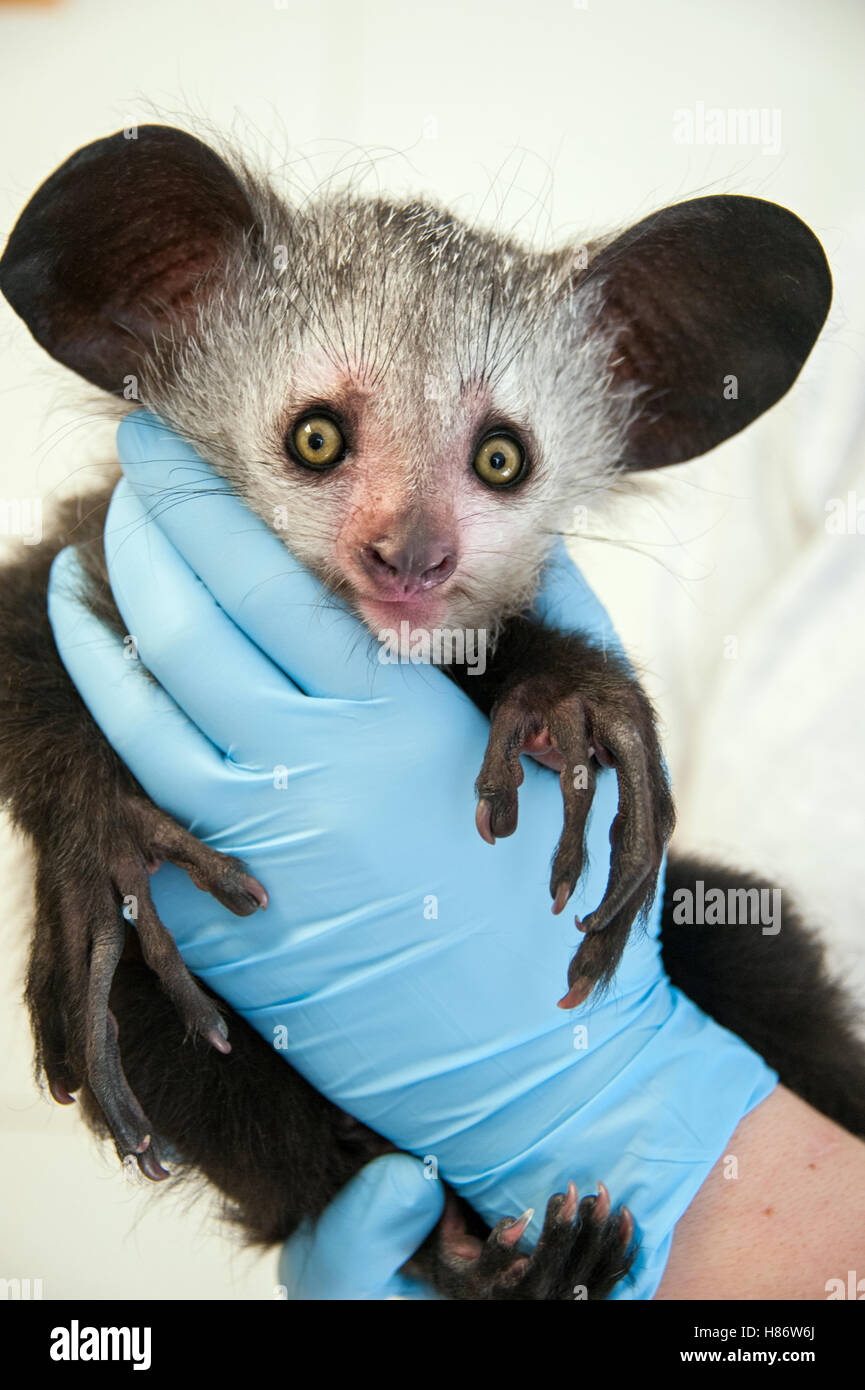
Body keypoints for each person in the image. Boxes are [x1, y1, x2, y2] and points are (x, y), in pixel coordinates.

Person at [46, 413, 865, 1300]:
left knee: (740, 931)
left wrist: (566, 695)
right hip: (302, 1103)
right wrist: (77, 806)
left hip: (714, 1089)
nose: (409, 541)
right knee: (135, 1005)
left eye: (493, 458)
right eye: (323, 438)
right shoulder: (152, 533)